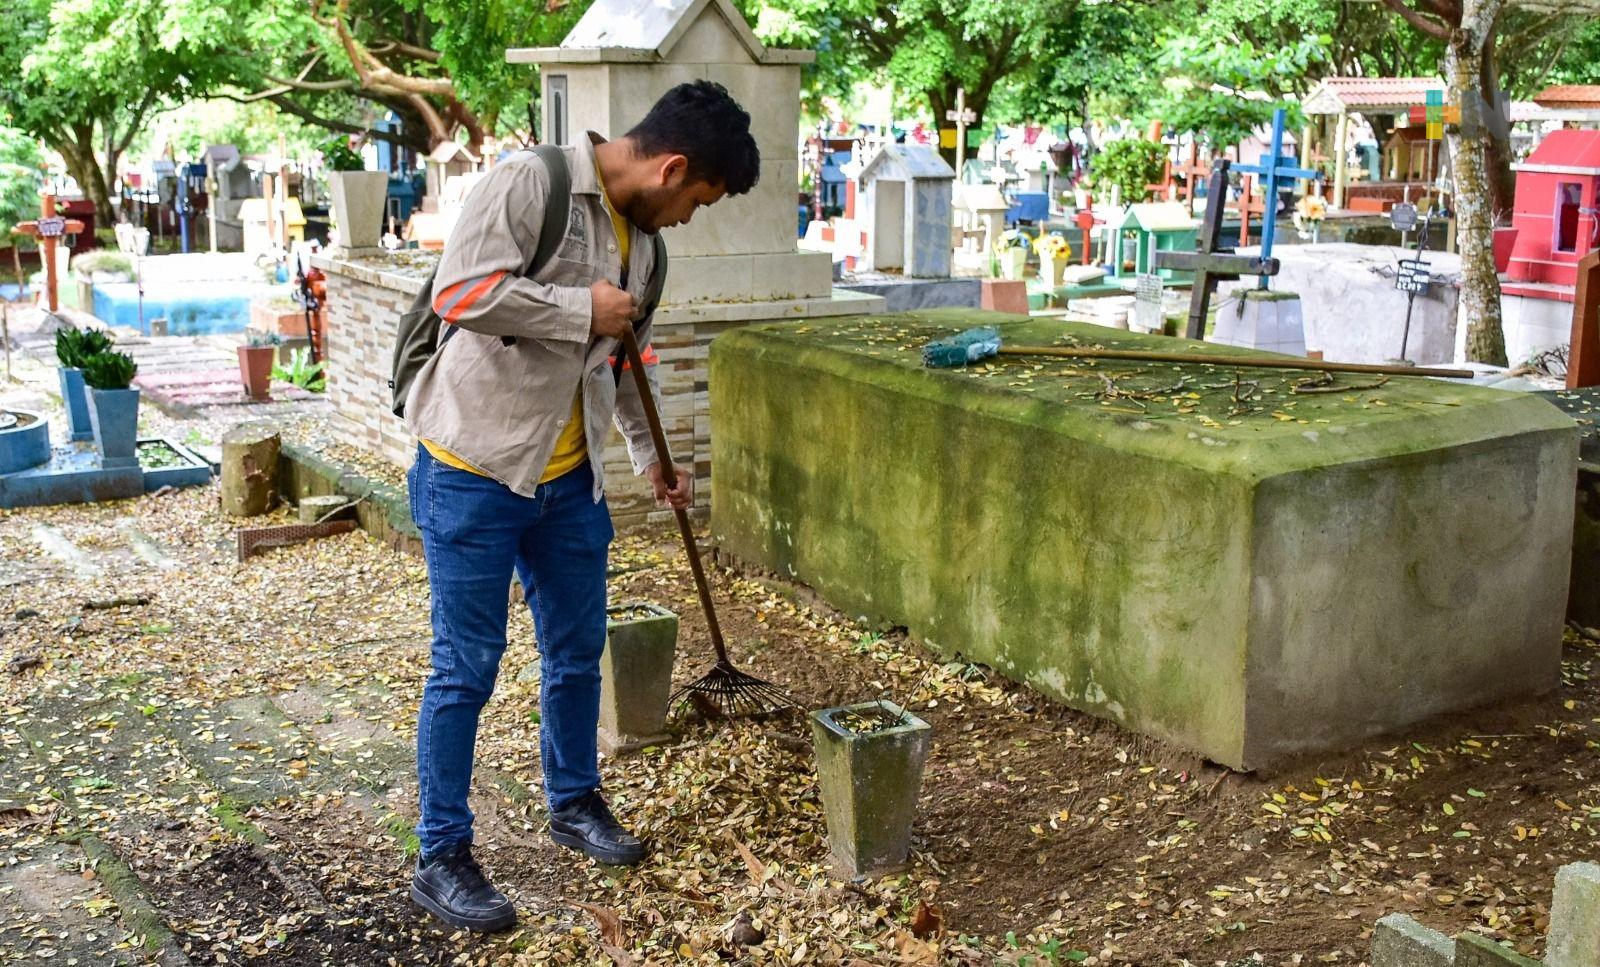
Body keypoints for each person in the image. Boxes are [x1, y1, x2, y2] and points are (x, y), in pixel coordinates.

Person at [403, 80, 760, 933]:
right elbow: (460, 293)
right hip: (473, 467)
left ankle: (573, 800)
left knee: (575, 651)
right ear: (671, 168)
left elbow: (624, 357)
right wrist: (578, 306)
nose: (688, 219)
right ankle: (441, 853)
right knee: (465, 666)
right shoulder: (534, 183)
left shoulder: (648, 253)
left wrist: (651, 456)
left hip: (569, 484)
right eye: (697, 201)